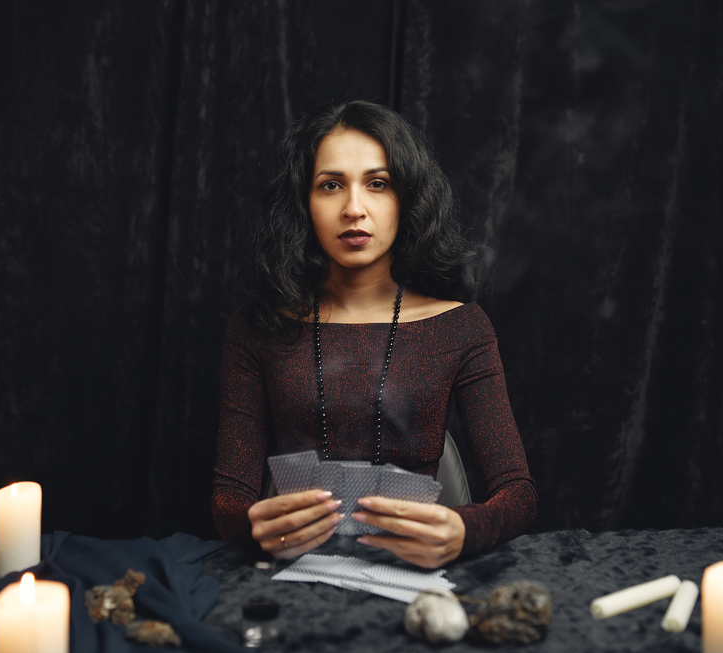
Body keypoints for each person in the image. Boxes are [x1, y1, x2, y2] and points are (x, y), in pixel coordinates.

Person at [212, 100, 536, 569]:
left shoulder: (461, 326)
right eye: (330, 186)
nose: (354, 209)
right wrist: (250, 525)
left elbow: (518, 493)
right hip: (291, 573)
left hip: (418, 574)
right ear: (304, 203)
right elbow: (228, 499)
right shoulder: (257, 327)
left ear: (406, 199)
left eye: (378, 184)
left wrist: (467, 530)